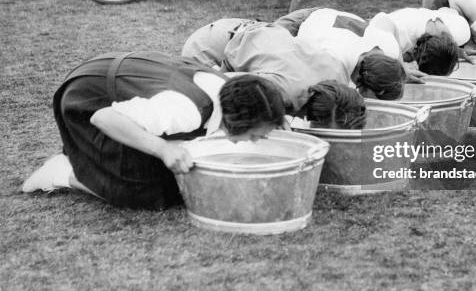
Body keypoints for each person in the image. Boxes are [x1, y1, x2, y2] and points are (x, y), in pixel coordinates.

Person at [21, 52, 285, 209]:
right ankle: (61, 172)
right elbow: (105, 118)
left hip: (113, 79)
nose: (257, 140)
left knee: (169, 166)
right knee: (148, 190)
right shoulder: (185, 110)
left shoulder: (227, 90)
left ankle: (87, 158)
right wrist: (162, 148)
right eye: (254, 135)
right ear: (236, 119)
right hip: (86, 98)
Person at [183, 21, 367, 128]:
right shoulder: (281, 90)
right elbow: (225, 85)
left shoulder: (339, 76)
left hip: (254, 33)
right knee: (208, 107)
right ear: (311, 117)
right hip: (211, 46)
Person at [275, 7, 409, 99]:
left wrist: (402, 68)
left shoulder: (389, 48)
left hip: (329, 16)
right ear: (365, 87)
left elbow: (385, 19)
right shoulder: (334, 66)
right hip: (301, 22)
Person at [369, 7, 469, 75]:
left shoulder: (462, 32)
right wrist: (401, 67)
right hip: (377, 29)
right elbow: (381, 20)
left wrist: (452, 51)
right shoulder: (401, 34)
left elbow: (445, 10)